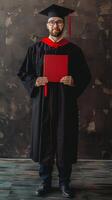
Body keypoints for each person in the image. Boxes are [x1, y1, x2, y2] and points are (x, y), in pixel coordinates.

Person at [17, 4, 91, 198]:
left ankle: (65, 183)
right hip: (43, 103)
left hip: (65, 103)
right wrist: (36, 81)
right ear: (47, 25)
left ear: (63, 24)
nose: (55, 25)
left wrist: (74, 80)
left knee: (64, 140)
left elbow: (85, 75)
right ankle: (45, 181)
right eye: (51, 22)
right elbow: (24, 73)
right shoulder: (36, 49)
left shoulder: (73, 50)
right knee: (45, 141)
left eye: (58, 21)